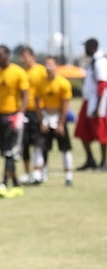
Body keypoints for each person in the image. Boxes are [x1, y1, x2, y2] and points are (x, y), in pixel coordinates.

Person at [0, 45, 29, 198]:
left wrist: (20, 115)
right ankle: (16, 184)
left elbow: (25, 96)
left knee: (10, 151)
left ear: (8, 55)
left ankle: (4, 183)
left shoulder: (18, 72)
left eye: (0, 55)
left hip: (13, 115)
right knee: (5, 152)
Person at [36, 56, 74, 186]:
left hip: (58, 117)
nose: (48, 67)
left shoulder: (63, 83)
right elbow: (37, 102)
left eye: (51, 64)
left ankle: (68, 176)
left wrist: (61, 123)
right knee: (43, 147)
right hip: (47, 116)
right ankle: (43, 172)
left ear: (56, 66)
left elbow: (65, 105)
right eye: (46, 64)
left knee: (65, 148)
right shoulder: (41, 83)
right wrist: (42, 120)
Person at [74, 37, 107, 170]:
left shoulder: (100, 62)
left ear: (91, 47)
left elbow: (102, 84)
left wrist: (98, 107)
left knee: (101, 133)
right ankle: (90, 159)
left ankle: (104, 162)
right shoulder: (92, 62)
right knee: (82, 131)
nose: (84, 50)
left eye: (86, 47)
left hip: (98, 103)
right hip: (89, 101)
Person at [18, 46, 47, 184]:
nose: (22, 59)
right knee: (25, 143)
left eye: (24, 56)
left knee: (38, 142)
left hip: (38, 110)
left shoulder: (41, 70)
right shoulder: (22, 72)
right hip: (25, 111)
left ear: (32, 56)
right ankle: (27, 172)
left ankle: (39, 170)